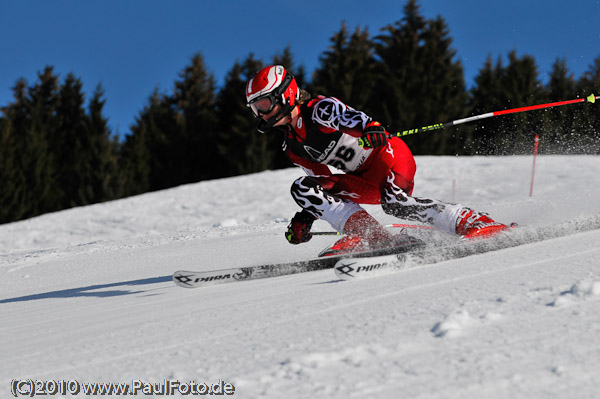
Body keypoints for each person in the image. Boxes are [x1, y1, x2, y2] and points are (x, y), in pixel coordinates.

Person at [245, 65, 508, 253]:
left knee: (396, 204)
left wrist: (371, 128)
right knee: (302, 188)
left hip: (388, 158)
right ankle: (373, 238)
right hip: (363, 182)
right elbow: (322, 183)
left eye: (265, 105)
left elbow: (351, 117)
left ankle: (473, 221)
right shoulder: (292, 146)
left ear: (285, 94)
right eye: (257, 109)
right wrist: (308, 214)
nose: (262, 115)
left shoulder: (318, 110)